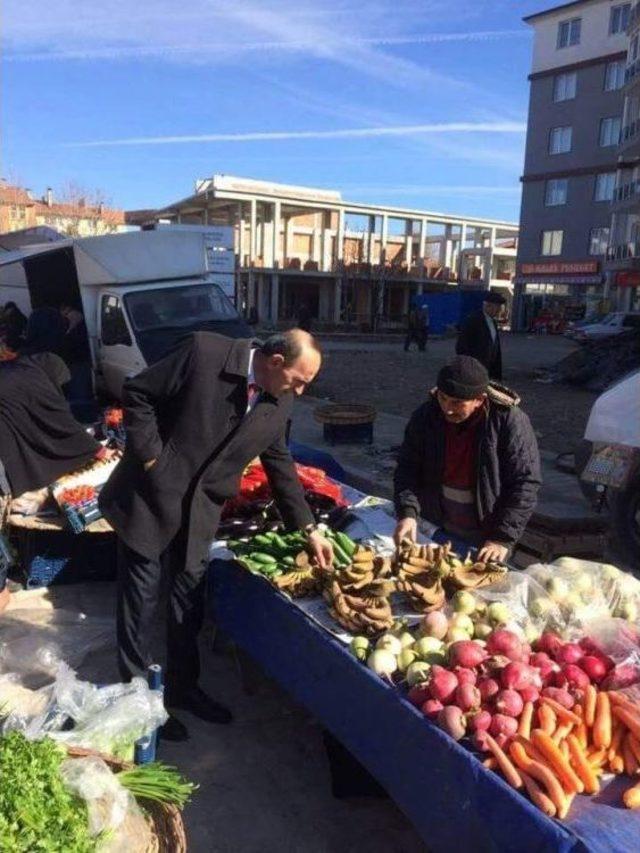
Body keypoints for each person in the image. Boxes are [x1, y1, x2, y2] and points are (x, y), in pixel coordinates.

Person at [99, 329, 334, 741]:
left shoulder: (279, 399)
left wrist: (308, 528)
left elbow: (278, 460)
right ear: (275, 362)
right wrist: (154, 458)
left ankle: (183, 688)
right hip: (150, 497)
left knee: (187, 599)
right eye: (298, 379)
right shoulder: (203, 353)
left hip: (202, 508)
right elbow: (138, 393)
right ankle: (139, 705)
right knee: (141, 603)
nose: (300, 389)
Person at [393, 355, 541, 563]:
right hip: (438, 527)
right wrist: (407, 513)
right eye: (443, 398)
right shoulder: (426, 416)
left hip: (487, 534)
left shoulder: (509, 422)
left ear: (480, 400)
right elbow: (407, 469)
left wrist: (502, 538)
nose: (448, 408)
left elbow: (525, 483)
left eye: (457, 403)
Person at [456, 291, 505, 380]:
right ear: (487, 306)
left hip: (489, 369)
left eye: (500, 307)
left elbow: (494, 346)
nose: (499, 310)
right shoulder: (473, 320)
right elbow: (461, 346)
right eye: (497, 306)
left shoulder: (493, 322)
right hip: (475, 369)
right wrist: (469, 366)